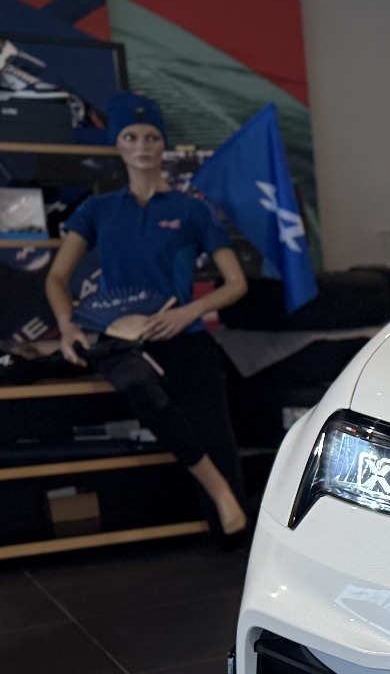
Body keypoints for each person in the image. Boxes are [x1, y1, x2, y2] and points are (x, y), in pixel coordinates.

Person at [46, 92, 250, 538]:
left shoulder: (192, 209)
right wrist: (67, 326)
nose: (142, 146)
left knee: (215, 430)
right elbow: (57, 277)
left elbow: (236, 283)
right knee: (140, 385)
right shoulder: (98, 209)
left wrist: (191, 311)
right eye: (131, 137)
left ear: (164, 145)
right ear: (118, 145)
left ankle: (235, 541)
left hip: (183, 332)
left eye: (152, 137)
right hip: (121, 339)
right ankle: (219, 492)